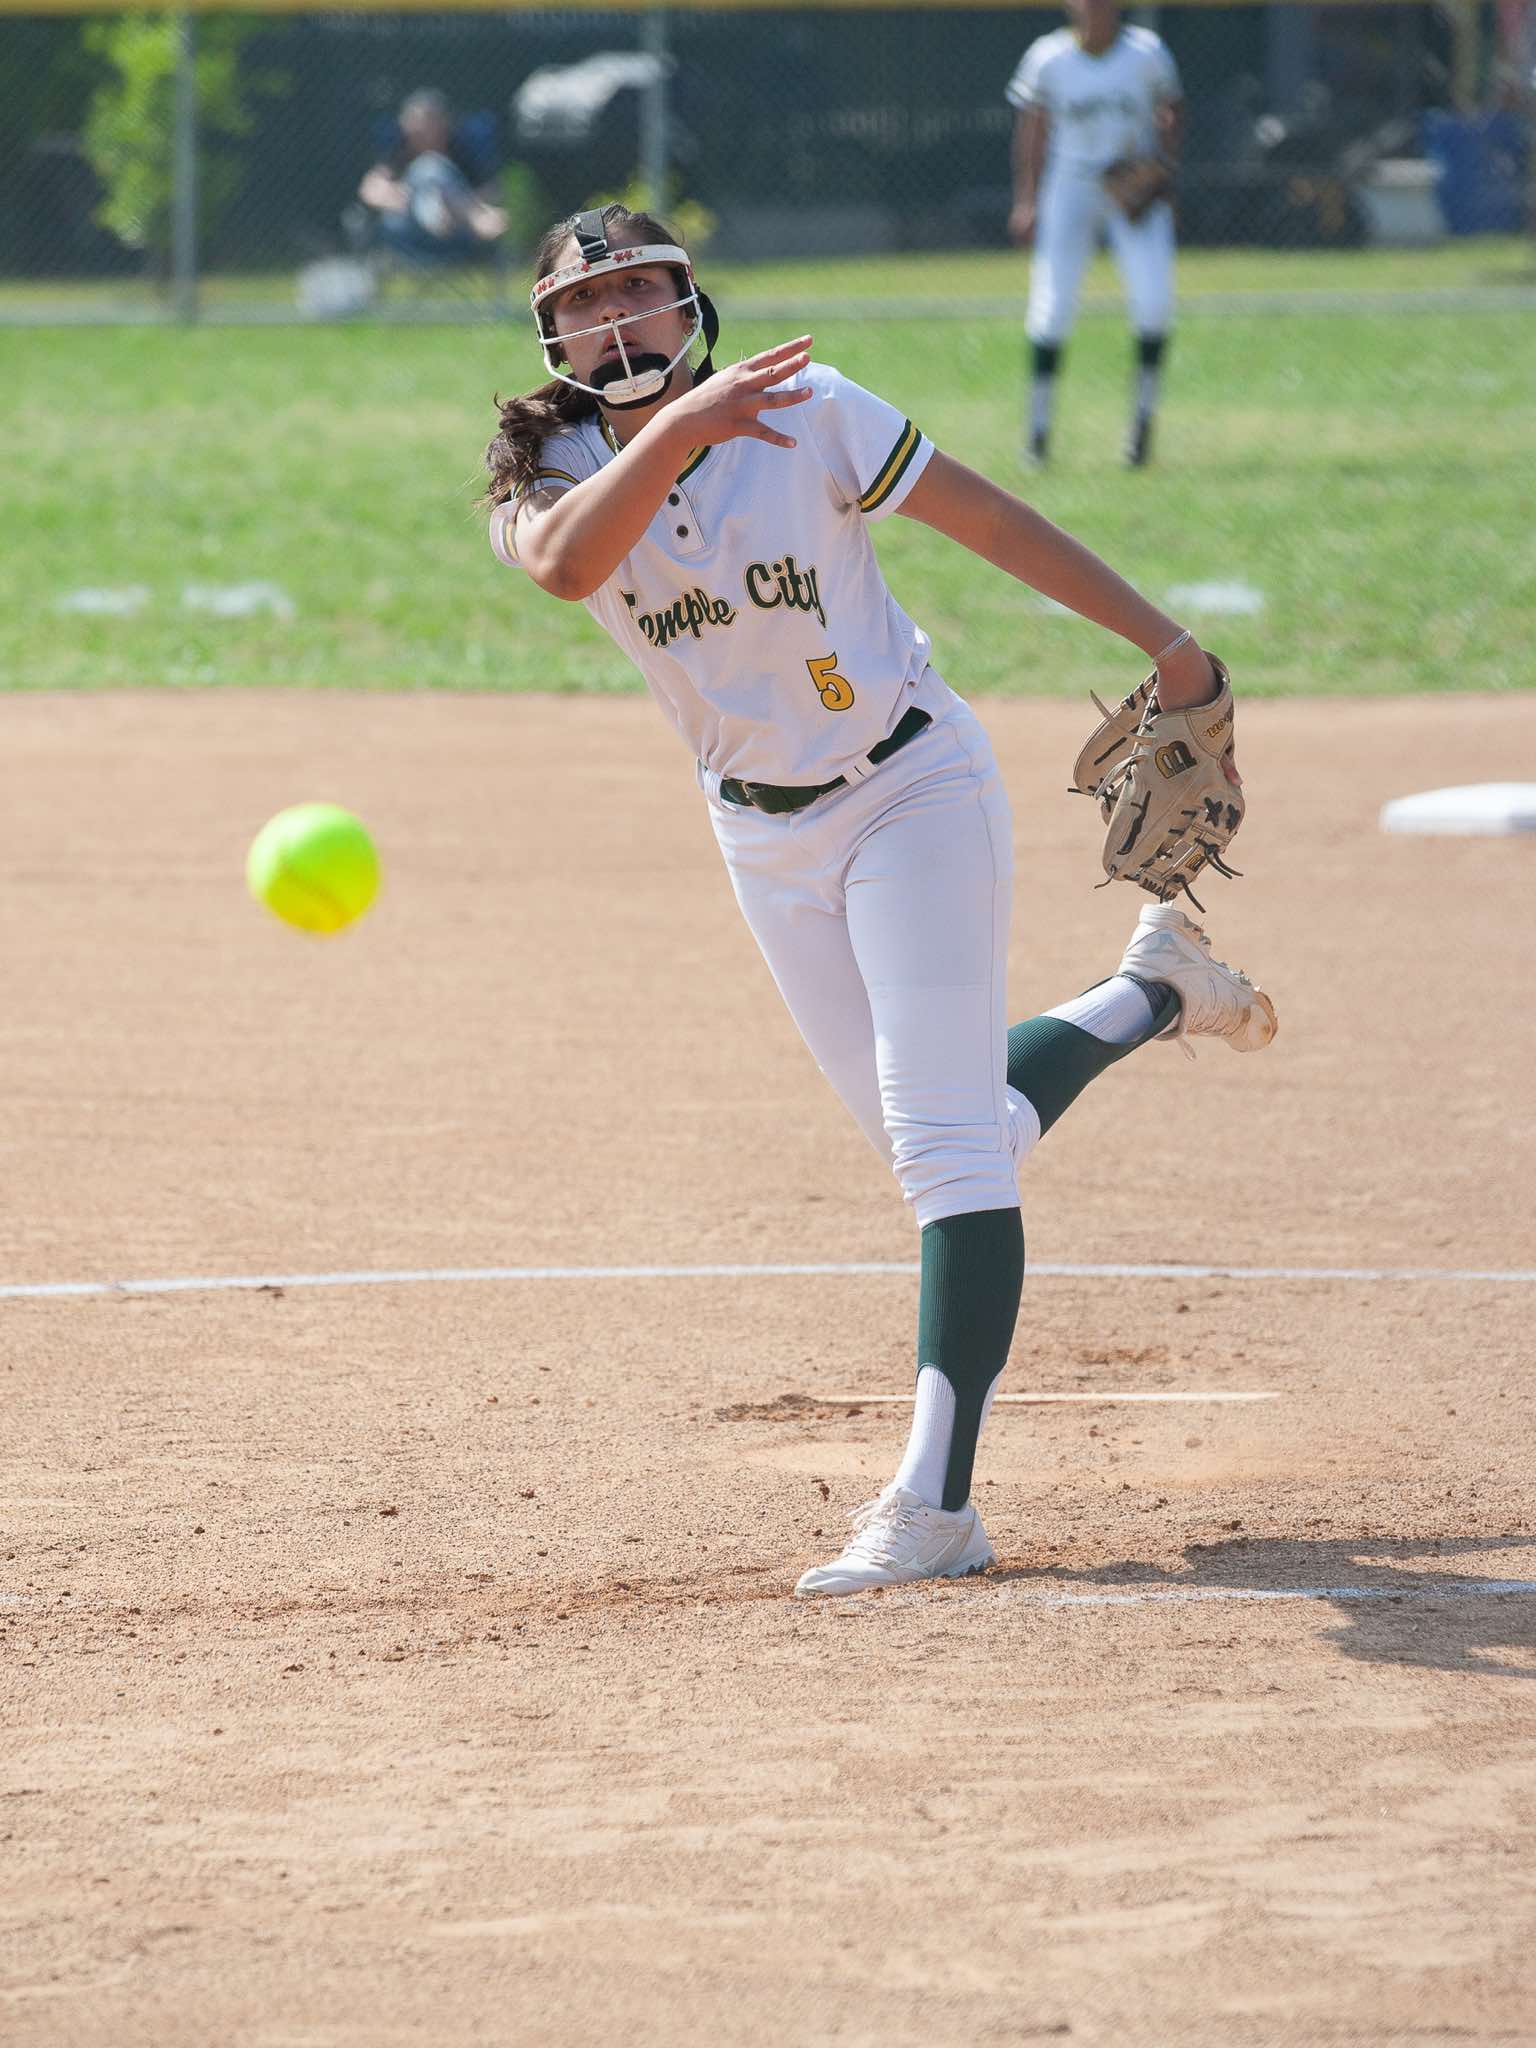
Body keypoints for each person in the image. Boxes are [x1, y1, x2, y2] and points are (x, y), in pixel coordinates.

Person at [483, 204, 1276, 1598]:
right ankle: (1153, 991)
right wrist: (682, 425)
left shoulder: (812, 411)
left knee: (948, 1153)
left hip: (911, 788)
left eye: (641, 293)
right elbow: (566, 568)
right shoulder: (543, 468)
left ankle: (937, 1504)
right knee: (964, 1135)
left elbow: (989, 518)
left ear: (691, 304)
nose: (618, 323)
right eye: (585, 306)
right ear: (551, 336)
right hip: (759, 833)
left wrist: (1170, 644)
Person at [1007, 0, 1184, 467]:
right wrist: (1027, 200)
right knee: (1051, 307)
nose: (1095, 8)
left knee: (1154, 303)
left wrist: (1163, 170)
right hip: (1072, 183)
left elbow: (1173, 109)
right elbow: (1032, 131)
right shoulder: (1048, 57)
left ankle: (1141, 428)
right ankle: (1037, 433)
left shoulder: (1146, 53)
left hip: (1130, 185)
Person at [353, 89, 507, 263]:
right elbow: (370, 190)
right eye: (414, 122)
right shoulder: (397, 149)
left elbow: (493, 189)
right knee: (428, 167)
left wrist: (452, 201)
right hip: (412, 223)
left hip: (457, 227)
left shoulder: (463, 147)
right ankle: (454, 215)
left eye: (429, 121)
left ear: (444, 122)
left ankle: (439, 214)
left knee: (432, 168)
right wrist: (411, 196)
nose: (421, 129)